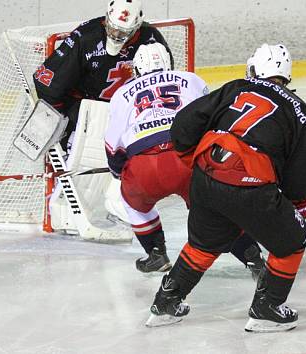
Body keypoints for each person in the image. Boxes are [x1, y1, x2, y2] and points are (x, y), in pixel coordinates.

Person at [144, 43, 306, 332]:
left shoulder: (237, 86)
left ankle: (165, 304)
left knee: (203, 244)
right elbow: (298, 179)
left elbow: (185, 123)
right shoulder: (305, 115)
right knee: (294, 240)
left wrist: (196, 162)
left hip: (206, 178)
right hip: (250, 187)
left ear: (256, 70)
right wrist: (295, 208)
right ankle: (267, 309)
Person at [105, 43, 265, 275]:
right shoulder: (190, 79)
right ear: (168, 63)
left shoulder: (121, 94)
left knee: (133, 203)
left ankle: (156, 253)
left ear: (137, 69)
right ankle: (254, 258)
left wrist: (120, 172)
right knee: (217, 211)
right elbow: (214, 120)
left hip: (145, 166)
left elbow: (113, 146)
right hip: (188, 159)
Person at [33, 0, 173, 149]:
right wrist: (60, 122)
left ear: (137, 26)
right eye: (112, 28)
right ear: (106, 18)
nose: (116, 35)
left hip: (132, 112)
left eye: (123, 32)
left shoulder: (151, 38)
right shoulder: (86, 37)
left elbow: (163, 81)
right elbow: (49, 84)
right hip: (88, 112)